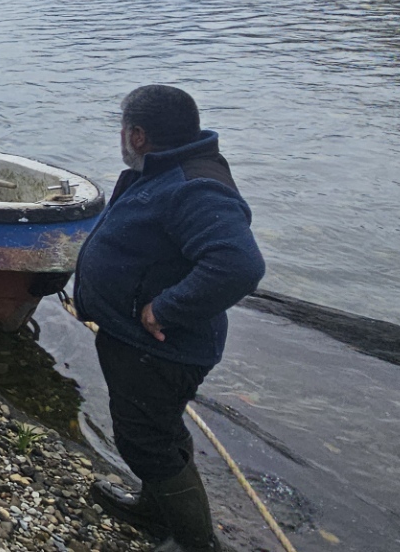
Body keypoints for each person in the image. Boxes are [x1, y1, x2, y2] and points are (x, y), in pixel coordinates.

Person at [74, 85, 266, 552]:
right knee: (158, 427)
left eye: (124, 130)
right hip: (140, 343)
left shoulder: (192, 185)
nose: (121, 138)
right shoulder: (159, 170)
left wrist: (165, 308)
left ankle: (194, 542)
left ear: (138, 135)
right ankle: (153, 506)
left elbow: (240, 264)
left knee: (146, 439)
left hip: (160, 347)